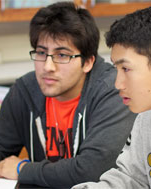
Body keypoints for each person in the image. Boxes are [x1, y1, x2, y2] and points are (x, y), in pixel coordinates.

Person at [0, 2, 136, 189]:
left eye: (62, 55)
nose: (47, 67)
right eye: (41, 52)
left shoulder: (113, 90)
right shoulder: (26, 89)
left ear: (87, 62)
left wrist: (23, 169)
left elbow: (92, 169)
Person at [72, 6, 151, 189]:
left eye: (126, 69)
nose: (118, 84)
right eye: (116, 69)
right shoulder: (145, 119)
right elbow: (132, 178)